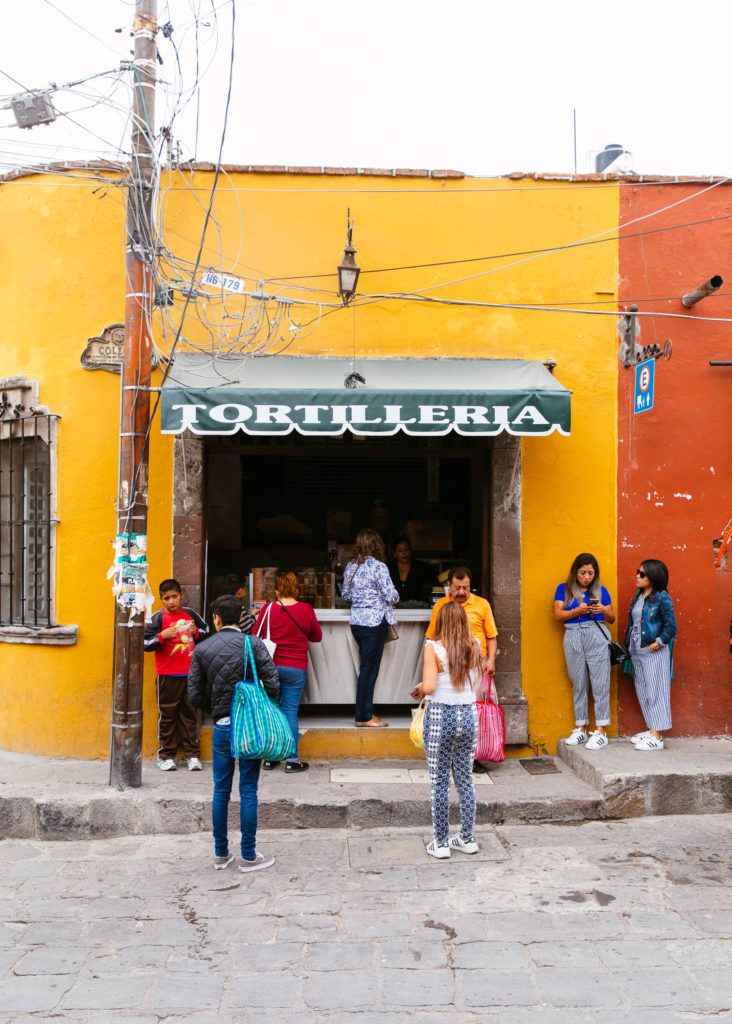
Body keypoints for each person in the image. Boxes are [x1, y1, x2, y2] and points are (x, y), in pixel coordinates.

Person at [187, 594, 280, 872]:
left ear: (216, 619)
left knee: (221, 791)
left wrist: (216, 709)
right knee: (248, 790)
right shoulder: (254, 644)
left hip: (223, 726)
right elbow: (273, 683)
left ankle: (221, 853)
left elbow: (194, 695)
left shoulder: (203, 649)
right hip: (249, 727)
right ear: (241, 617)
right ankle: (248, 855)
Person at [411, 602, 482, 859]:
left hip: (442, 715)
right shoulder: (475, 645)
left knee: (439, 781)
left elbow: (430, 687)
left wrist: (420, 688)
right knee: (465, 778)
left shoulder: (433, 648)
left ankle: (441, 843)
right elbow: (474, 682)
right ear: (464, 621)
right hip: (468, 714)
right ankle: (467, 838)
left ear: (440, 622)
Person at [426, 567, 498, 771]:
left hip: (476, 665)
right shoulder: (441, 605)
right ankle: (447, 754)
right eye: (457, 588)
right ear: (449, 586)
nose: (461, 592)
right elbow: (432, 635)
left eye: (465, 588)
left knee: (475, 709)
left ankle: (473, 756)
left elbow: (492, 636)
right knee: (449, 709)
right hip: (447, 666)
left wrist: (491, 661)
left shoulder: (482, 604)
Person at [254, 571, 323, 774]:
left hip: (271, 667)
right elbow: (316, 636)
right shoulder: (306, 609)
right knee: (290, 711)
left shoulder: (268, 608)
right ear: (296, 590)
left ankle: (270, 757)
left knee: (272, 709)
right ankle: (292, 760)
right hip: (295, 667)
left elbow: (255, 635)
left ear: (277, 591)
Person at [144, 578, 209, 772]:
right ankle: (166, 756)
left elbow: (207, 634)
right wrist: (162, 636)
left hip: (191, 675)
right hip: (167, 676)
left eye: (174, 597)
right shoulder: (157, 618)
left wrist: (195, 632)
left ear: (181, 595)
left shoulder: (191, 614)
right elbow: (144, 644)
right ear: (161, 599)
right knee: (167, 716)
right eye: (166, 598)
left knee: (190, 715)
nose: (171, 601)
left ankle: (192, 755)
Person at [553, 553, 616, 751]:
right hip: (572, 635)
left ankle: (601, 730)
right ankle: (581, 727)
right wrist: (576, 612)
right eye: (582, 573)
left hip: (596, 634)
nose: (587, 577)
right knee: (578, 681)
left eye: (591, 573)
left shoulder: (601, 590)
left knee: (600, 682)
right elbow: (557, 615)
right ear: (575, 572)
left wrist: (603, 610)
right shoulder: (563, 589)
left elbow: (612, 618)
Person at [342, 528, 400, 728]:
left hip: (357, 623)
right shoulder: (379, 567)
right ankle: (364, 716)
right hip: (374, 623)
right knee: (369, 670)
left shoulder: (351, 567)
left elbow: (346, 594)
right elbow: (392, 596)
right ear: (377, 546)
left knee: (365, 669)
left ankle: (364, 713)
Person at [623, 559, 677, 751]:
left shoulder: (662, 597)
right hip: (636, 650)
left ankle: (657, 737)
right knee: (643, 690)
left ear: (654, 577)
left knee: (656, 692)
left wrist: (659, 642)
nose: (637, 576)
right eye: (637, 572)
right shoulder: (639, 596)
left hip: (653, 650)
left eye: (642, 574)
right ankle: (652, 729)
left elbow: (671, 626)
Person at [388, 535, 435, 605]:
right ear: (394, 554)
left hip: (419, 607)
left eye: (406, 550)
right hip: (394, 608)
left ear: (410, 550)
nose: (404, 553)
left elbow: (434, 585)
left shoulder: (421, 567)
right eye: (400, 551)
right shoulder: (388, 568)